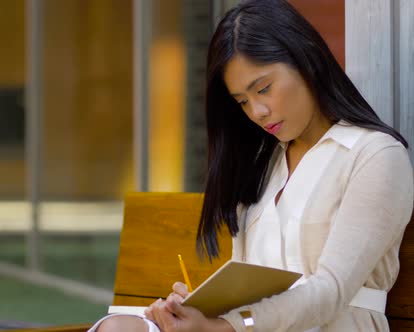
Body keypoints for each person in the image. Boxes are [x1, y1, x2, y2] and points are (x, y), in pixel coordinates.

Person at [90, 0, 414, 331]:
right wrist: (200, 311)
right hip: (252, 327)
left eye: (264, 88)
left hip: (332, 324)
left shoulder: (374, 155)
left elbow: (330, 290)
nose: (257, 111)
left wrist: (225, 327)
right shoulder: (264, 163)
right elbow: (246, 286)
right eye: (242, 101)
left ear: (306, 61)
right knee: (118, 327)